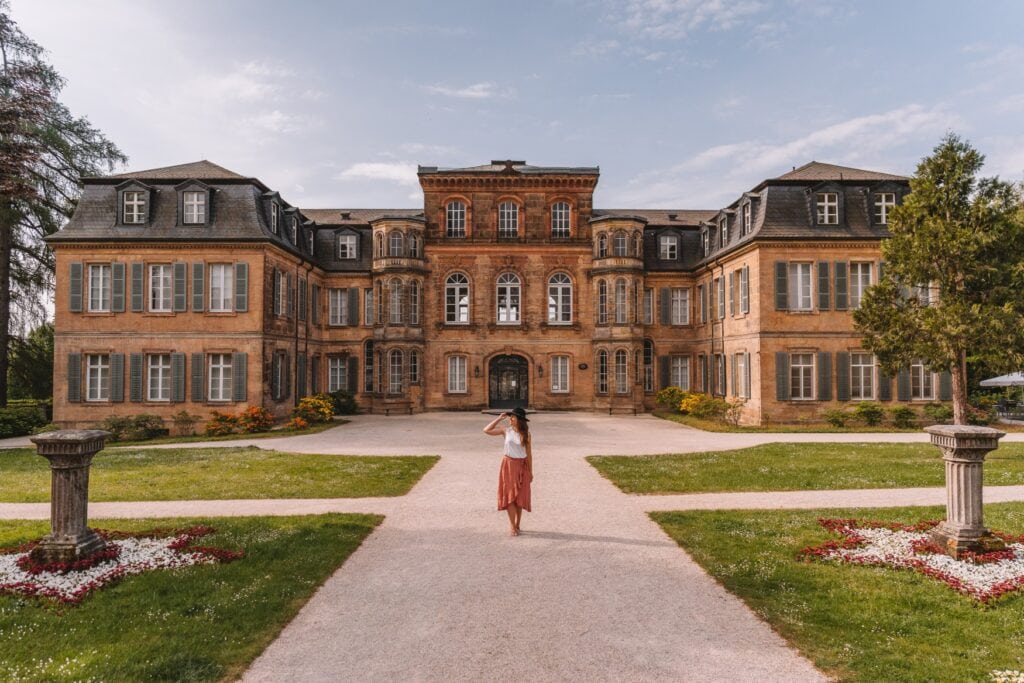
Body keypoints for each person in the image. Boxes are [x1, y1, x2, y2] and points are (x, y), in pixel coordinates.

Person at [483, 406, 533, 536]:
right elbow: (486, 430)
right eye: (511, 416)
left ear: (519, 419)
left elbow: (529, 454)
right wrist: (499, 418)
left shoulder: (526, 434)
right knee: (510, 497)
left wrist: (531, 472)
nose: (510, 418)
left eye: (513, 417)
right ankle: (512, 526)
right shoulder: (506, 431)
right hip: (509, 465)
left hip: (522, 466)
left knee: (520, 498)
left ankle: (517, 524)